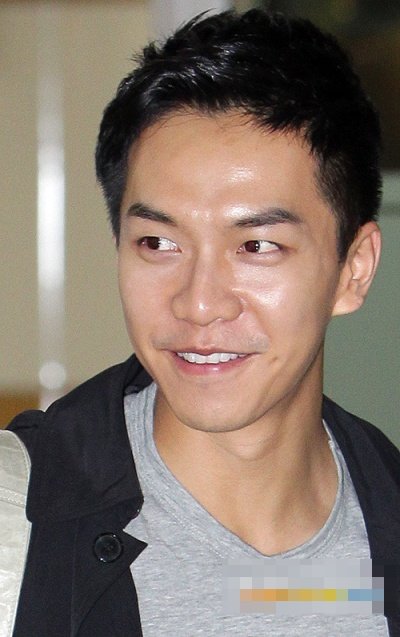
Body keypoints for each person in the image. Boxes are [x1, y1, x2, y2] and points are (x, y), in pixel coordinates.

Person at [8, 8, 400, 637]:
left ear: (353, 270)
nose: (198, 303)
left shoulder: (386, 521)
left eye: (257, 246)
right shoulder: (16, 526)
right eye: (158, 243)